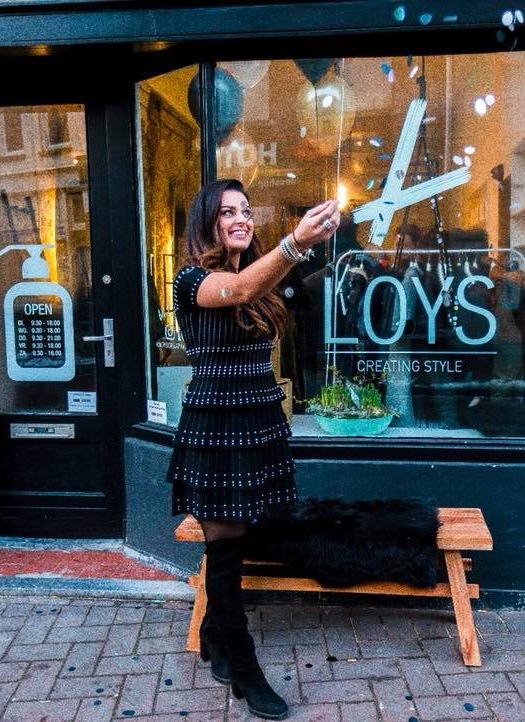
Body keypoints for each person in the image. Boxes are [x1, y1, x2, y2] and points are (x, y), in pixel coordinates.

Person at [166, 178, 338, 720]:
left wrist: (324, 246)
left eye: (245, 210)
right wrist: (297, 241)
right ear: (207, 224)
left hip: (259, 423)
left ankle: (214, 637)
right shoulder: (191, 280)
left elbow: (272, 286)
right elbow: (237, 290)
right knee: (223, 547)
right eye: (226, 213)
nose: (240, 219)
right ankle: (245, 670)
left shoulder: (262, 279)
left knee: (240, 540)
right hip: (217, 427)